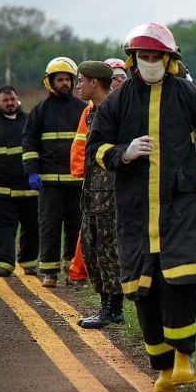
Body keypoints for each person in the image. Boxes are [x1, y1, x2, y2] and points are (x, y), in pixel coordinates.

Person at [86, 22, 196, 392]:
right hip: (135, 209)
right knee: (143, 289)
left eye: (156, 56)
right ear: (133, 59)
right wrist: (124, 153)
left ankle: (183, 357)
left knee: (178, 280)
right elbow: (95, 148)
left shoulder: (186, 93)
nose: (150, 61)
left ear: (169, 59)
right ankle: (163, 368)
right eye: (144, 56)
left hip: (181, 203)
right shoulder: (118, 101)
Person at [69, 61, 125, 328]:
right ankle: (105, 305)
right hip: (92, 193)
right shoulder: (91, 112)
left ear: (94, 82)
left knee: (108, 252)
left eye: (81, 80)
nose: (77, 85)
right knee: (91, 251)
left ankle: (114, 309)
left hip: (111, 194)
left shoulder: (117, 110)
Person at [22, 57, 87, 287]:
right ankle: (49, 273)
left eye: (68, 79)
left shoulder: (82, 109)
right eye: (60, 80)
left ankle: (72, 272)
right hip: (49, 183)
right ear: (50, 82)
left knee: (75, 227)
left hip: (76, 182)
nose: (65, 83)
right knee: (49, 227)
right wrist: (31, 171)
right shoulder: (40, 111)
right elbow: (29, 143)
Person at [0, 86, 40, 277]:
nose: (10, 103)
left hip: (28, 188)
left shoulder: (30, 123)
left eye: (12, 100)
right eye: (5, 100)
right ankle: (2, 263)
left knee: (32, 225)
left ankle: (29, 262)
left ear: (18, 100)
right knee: (0, 226)